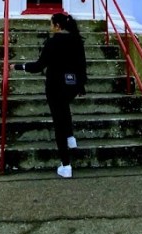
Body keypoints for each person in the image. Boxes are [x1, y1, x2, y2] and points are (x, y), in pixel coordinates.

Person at [13, 12, 87, 178]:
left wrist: (19, 66)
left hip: (55, 87)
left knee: (58, 123)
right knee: (64, 108)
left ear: (58, 26)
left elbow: (39, 66)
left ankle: (66, 166)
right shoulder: (77, 40)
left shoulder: (53, 42)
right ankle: (71, 139)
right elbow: (82, 65)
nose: (50, 26)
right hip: (72, 85)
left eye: (51, 23)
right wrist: (81, 86)